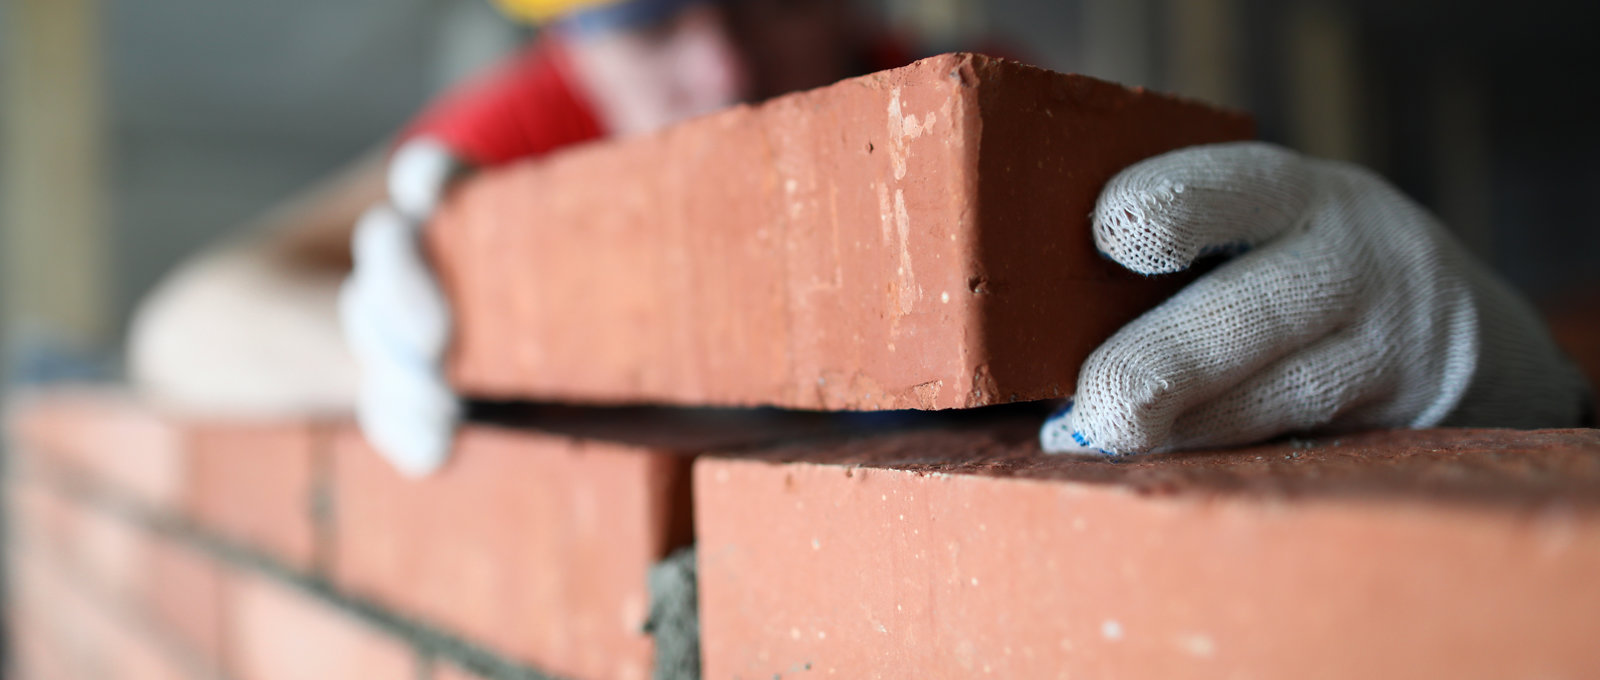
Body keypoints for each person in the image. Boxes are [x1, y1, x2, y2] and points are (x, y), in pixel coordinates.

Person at [132, 0, 1592, 477]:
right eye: (648, 14)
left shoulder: (975, 100)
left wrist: (1494, 389)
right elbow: (184, 324)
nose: (713, 69)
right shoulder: (534, 116)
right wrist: (406, 333)